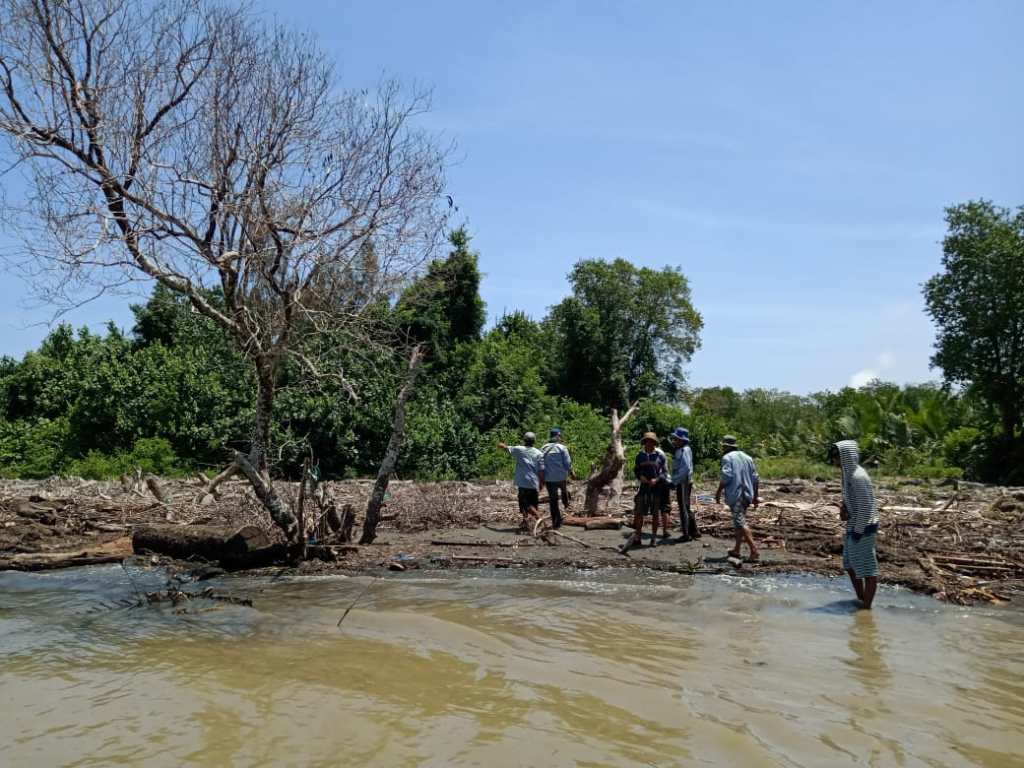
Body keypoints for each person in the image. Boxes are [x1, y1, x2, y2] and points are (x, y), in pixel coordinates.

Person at [829, 439, 880, 609]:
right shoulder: (847, 475)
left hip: (864, 526)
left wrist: (858, 531)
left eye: (836, 456)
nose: (834, 460)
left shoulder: (858, 476)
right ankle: (861, 600)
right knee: (850, 565)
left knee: (867, 569)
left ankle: (866, 607)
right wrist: (844, 511)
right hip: (854, 524)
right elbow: (852, 502)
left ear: (845, 456)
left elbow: (866, 506)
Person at [715, 435, 760, 562]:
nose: (723, 448)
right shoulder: (748, 458)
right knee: (739, 522)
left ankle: (754, 551)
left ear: (726, 447)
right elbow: (756, 478)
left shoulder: (727, 458)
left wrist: (718, 491)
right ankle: (737, 549)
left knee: (740, 522)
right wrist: (755, 496)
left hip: (737, 494)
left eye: (723, 446)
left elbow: (726, 476)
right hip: (747, 494)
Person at [498, 432, 545, 532]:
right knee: (533, 503)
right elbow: (541, 471)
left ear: (524, 440)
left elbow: (506, 448)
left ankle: (539, 519)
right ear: (534, 441)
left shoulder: (519, 449)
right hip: (534, 482)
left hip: (523, 482)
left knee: (525, 504)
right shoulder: (539, 453)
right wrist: (541, 483)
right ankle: (526, 523)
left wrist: (500, 444)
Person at [630, 432, 668, 547]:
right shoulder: (640, 456)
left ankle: (653, 538)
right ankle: (638, 537)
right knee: (639, 512)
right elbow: (636, 470)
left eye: (651, 442)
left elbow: (665, 473)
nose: (649, 443)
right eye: (647, 441)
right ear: (644, 442)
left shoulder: (660, 456)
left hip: (656, 488)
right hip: (644, 487)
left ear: (654, 443)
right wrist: (640, 476)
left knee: (655, 513)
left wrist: (657, 479)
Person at [669, 427, 699, 541]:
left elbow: (685, 468)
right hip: (683, 481)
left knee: (683, 508)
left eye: (676, 439)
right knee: (686, 506)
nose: (675, 441)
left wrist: (675, 481)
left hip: (683, 482)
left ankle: (686, 534)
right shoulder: (682, 449)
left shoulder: (684, 450)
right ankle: (694, 531)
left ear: (682, 440)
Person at [540, 427, 572, 528]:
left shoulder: (543, 448)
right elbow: (567, 463)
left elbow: (540, 463)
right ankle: (566, 503)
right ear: (558, 436)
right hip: (561, 477)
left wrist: (541, 477)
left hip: (549, 479)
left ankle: (556, 522)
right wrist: (570, 472)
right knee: (563, 490)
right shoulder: (562, 448)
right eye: (560, 435)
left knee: (553, 501)